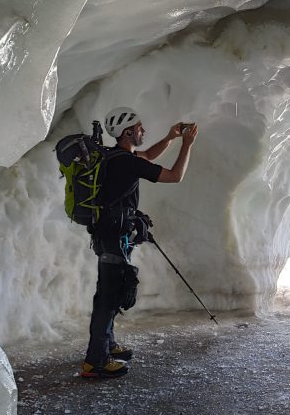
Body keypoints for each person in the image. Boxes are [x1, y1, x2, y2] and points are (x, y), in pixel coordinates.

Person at [80, 107, 199, 378]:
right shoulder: (126, 162)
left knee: (108, 292)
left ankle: (107, 345)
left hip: (108, 235)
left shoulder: (115, 157)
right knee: (108, 299)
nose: (143, 131)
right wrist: (188, 145)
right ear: (127, 132)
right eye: (140, 127)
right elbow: (175, 176)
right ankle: (94, 362)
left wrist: (171, 137)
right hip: (114, 237)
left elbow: (146, 156)